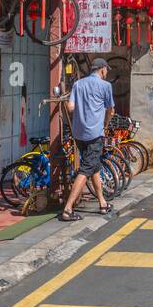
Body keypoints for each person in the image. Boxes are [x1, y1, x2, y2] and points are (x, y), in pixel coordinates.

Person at [59, 58, 114, 222]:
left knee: (93, 166)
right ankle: (68, 209)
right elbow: (111, 109)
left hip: (78, 133)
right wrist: (105, 123)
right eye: (106, 70)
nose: (106, 73)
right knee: (86, 169)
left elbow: (70, 107)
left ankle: (102, 203)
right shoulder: (106, 86)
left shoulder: (78, 84)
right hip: (94, 133)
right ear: (103, 70)